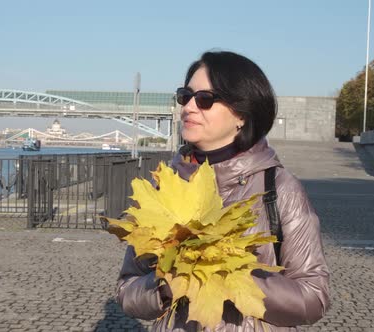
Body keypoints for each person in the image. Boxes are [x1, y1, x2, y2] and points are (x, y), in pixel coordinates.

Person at [116, 51, 330, 331]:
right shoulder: (164, 186)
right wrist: (165, 286)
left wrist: (235, 276)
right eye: (185, 96)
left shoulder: (278, 188)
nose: (189, 107)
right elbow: (126, 289)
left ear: (241, 113)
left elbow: (314, 297)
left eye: (205, 100)